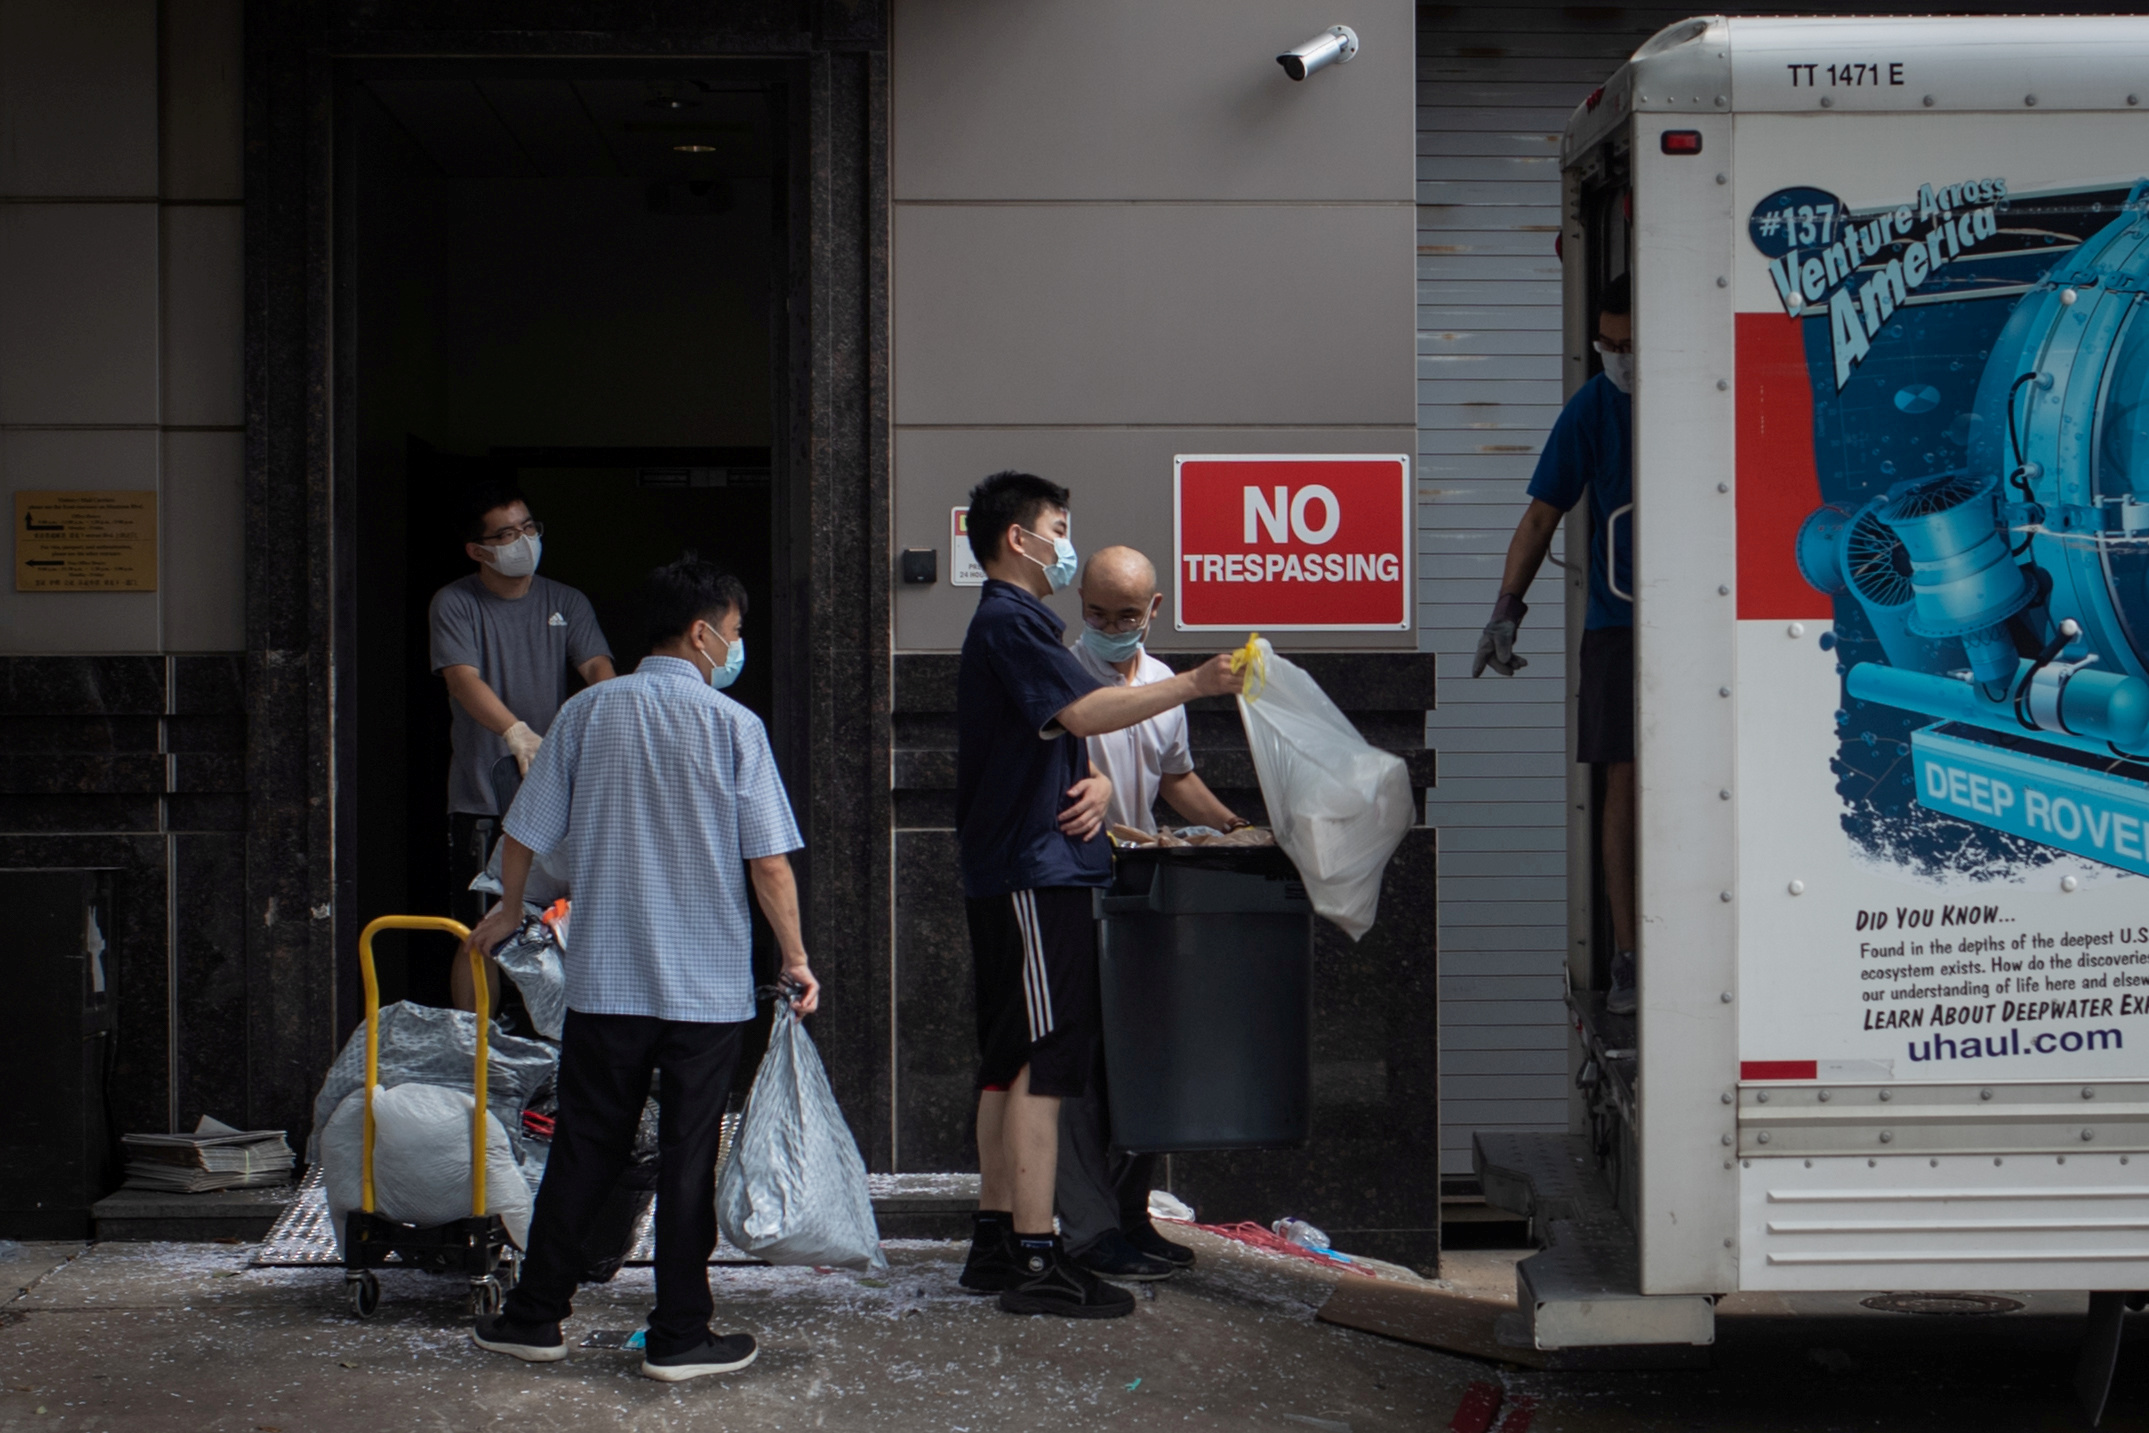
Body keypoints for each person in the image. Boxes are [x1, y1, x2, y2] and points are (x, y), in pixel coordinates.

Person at [462, 555, 819, 1381]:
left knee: (587, 1146)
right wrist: (795, 958)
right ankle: (680, 1334)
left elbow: (525, 828)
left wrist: (511, 908)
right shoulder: (735, 726)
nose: (735, 647)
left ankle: (534, 1316)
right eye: (731, 632)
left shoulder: (587, 712)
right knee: (691, 1154)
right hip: (706, 990)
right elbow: (769, 863)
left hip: (608, 982)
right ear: (701, 633)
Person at [952, 470, 1244, 1319]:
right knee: (1047, 1063)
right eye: (1057, 526)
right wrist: (1195, 682)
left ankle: (997, 1243)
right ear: (1020, 538)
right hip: (1034, 875)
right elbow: (1081, 715)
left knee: (1011, 1064)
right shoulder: (1014, 622)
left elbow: (1053, 738)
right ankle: (1040, 1257)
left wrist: (1089, 784)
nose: (1063, 540)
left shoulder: (1013, 626)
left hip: (1021, 868)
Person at [1055, 545, 1246, 1282]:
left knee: (1144, 1063)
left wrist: (1234, 828)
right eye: (1096, 614)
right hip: (1078, 893)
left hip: (1143, 896)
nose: (1109, 628)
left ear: (1154, 610)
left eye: (1125, 616)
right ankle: (1088, 1227)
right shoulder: (1066, 678)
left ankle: (1131, 1214)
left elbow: (1175, 780)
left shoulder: (1162, 680)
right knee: (1083, 1077)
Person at [1474, 274, 1636, 1015]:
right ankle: (1629, 955)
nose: (1617, 357)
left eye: (1629, 345)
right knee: (1621, 787)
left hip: (1710, 629)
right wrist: (1507, 606)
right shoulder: (1593, 409)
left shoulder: (1717, 398)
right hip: (1619, 626)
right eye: (1606, 344)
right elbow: (1541, 516)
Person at [430, 479, 614, 1012]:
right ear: (477, 549)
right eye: (508, 534)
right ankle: (476, 1054)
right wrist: (515, 731)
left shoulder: (565, 600)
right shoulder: (456, 603)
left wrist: (610, 709)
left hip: (561, 799)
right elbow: (462, 679)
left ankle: (563, 1051)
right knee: (482, 931)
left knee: (565, 926)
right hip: (486, 795)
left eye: (529, 527)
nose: (524, 541)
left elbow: (596, 665)